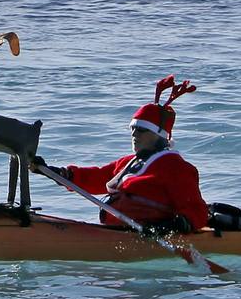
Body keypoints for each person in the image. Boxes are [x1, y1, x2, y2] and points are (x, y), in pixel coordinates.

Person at [35, 97, 209, 233]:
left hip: (147, 236)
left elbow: (196, 211)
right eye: (132, 129)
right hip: (118, 232)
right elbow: (95, 178)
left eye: (141, 130)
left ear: (160, 135)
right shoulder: (128, 162)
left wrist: (169, 227)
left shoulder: (176, 167)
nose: (134, 134)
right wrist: (52, 172)